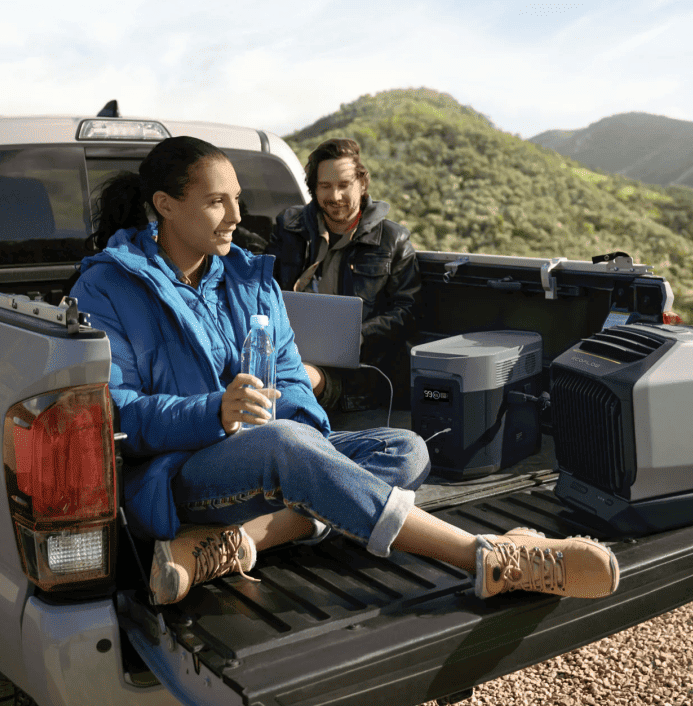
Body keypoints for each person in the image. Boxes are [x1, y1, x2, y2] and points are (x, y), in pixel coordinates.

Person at [70, 136, 619, 605]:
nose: (237, 217)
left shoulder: (250, 276)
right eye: (217, 202)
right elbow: (116, 412)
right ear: (165, 205)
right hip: (178, 474)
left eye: (236, 199)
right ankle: (485, 557)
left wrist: (294, 431)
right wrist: (215, 412)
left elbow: (290, 380)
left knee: (406, 449)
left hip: (270, 455)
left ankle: (242, 542)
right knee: (288, 442)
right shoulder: (108, 288)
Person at [266, 138, 419, 411]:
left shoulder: (393, 239)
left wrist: (354, 335)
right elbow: (264, 288)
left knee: (290, 382)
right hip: (287, 351)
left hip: (356, 373)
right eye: (325, 186)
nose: (335, 196)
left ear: (362, 183)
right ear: (313, 188)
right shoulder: (289, 227)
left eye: (344, 185)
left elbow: (408, 312)